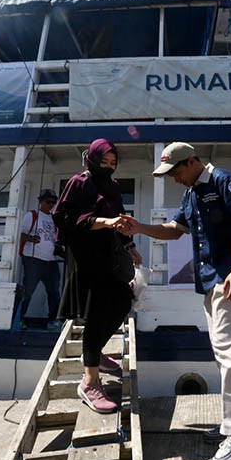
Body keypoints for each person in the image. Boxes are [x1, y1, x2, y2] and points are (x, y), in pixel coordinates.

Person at [124, 142, 231, 460]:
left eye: (175, 172)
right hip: (211, 282)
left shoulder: (224, 181)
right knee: (223, 354)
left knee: (229, 353)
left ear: (191, 162)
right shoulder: (191, 193)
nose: (174, 179)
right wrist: (138, 227)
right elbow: (174, 231)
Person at [51, 138, 142, 414]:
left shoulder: (112, 187)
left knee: (124, 301)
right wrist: (103, 222)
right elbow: (63, 217)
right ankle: (89, 382)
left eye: (113, 163)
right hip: (85, 258)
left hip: (109, 257)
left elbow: (118, 216)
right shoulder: (78, 183)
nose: (109, 168)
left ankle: (97, 352)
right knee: (97, 314)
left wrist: (130, 245)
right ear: (92, 159)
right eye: (104, 162)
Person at [18, 188, 62, 330]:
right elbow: (21, 235)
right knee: (28, 291)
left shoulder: (53, 219)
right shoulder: (32, 215)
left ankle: (53, 321)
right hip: (33, 260)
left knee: (54, 292)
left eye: (53, 202)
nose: (51, 205)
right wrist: (31, 238)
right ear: (41, 201)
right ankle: (19, 319)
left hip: (50, 261)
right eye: (48, 202)